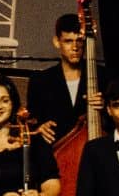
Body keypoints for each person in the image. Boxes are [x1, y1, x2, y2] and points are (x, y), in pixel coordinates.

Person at [26, 14, 96, 146]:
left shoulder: (102, 77)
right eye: (68, 41)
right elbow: (32, 121)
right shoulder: (40, 81)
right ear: (57, 42)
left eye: (79, 40)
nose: (75, 47)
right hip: (53, 153)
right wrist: (39, 127)